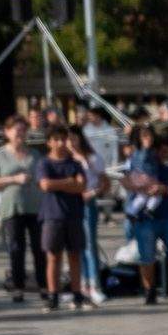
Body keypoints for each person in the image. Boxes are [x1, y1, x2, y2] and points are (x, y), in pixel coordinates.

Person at [0, 116, 46, 304]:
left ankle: (43, 285)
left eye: (23, 130)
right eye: (16, 130)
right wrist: (13, 179)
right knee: (16, 248)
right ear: (7, 132)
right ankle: (18, 287)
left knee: (39, 248)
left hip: (35, 207)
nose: (20, 134)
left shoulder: (35, 154)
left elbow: (43, 177)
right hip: (12, 208)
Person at [34, 125, 93, 311]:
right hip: (52, 216)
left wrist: (60, 184)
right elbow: (45, 185)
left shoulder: (74, 163)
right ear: (49, 142)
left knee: (75, 255)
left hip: (74, 214)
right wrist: (68, 182)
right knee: (53, 257)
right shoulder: (44, 163)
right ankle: (53, 296)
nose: (61, 143)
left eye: (63, 139)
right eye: (56, 139)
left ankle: (77, 294)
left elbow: (82, 187)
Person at [124, 127, 168, 307]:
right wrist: (135, 184)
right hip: (145, 219)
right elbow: (125, 179)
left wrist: (163, 189)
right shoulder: (138, 159)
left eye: (167, 150)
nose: (164, 153)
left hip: (167, 216)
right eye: (161, 149)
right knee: (146, 257)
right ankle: (149, 291)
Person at [68, 129, 109, 305]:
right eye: (67, 139)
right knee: (74, 246)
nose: (70, 142)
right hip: (68, 204)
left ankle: (95, 285)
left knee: (89, 244)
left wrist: (92, 192)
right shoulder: (64, 159)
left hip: (87, 203)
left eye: (73, 138)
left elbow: (105, 182)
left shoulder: (92, 158)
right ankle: (81, 285)